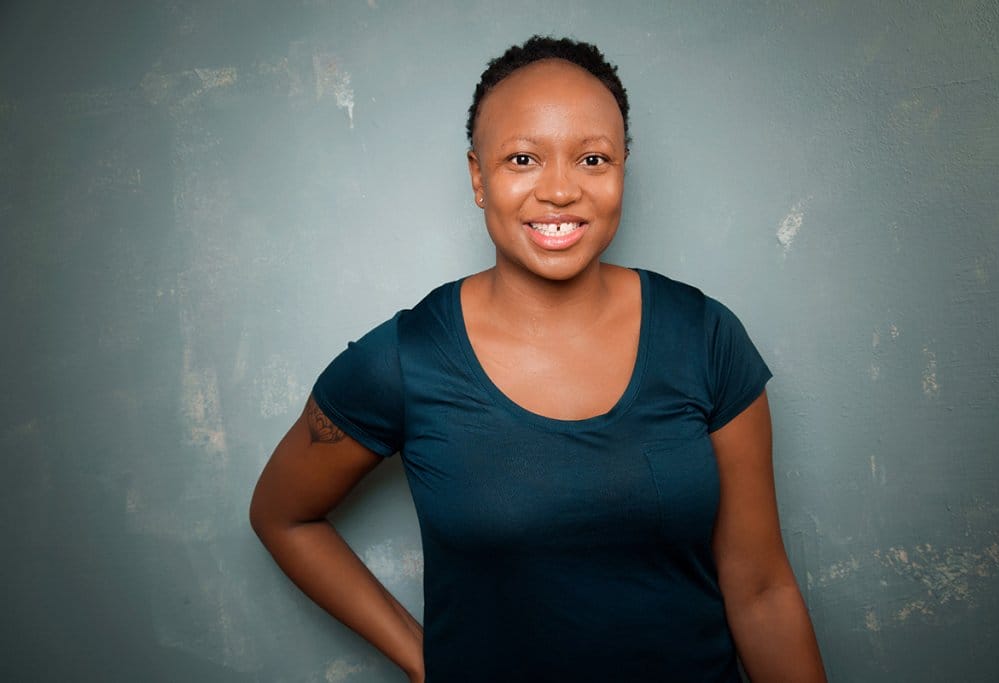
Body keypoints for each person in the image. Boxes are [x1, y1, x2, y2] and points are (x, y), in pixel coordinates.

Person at [250, 36, 827, 683]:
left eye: (593, 159)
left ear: (623, 169)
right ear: (478, 177)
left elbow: (762, 589)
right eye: (523, 158)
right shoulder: (406, 359)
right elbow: (282, 515)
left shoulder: (705, 337)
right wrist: (424, 661)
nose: (559, 190)